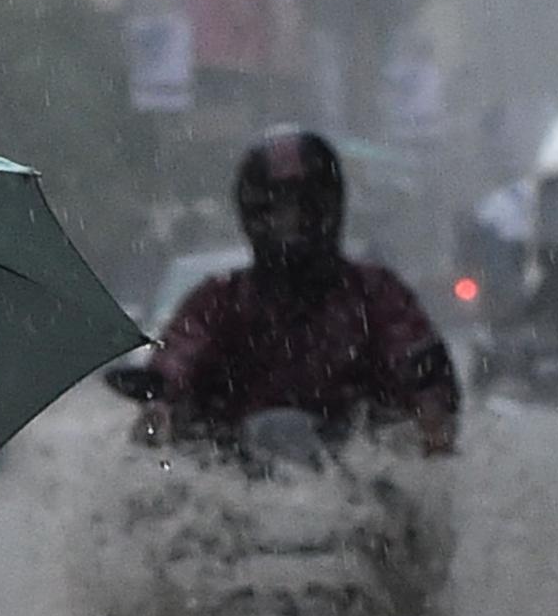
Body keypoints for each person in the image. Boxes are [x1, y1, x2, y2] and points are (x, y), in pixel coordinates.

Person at [141, 128, 460, 454]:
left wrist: (429, 406)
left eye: (303, 210)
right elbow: (178, 354)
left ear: (329, 210)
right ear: (252, 216)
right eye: (274, 212)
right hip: (236, 466)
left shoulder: (375, 293)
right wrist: (160, 398)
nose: (289, 226)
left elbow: (417, 357)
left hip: (357, 465)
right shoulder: (220, 300)